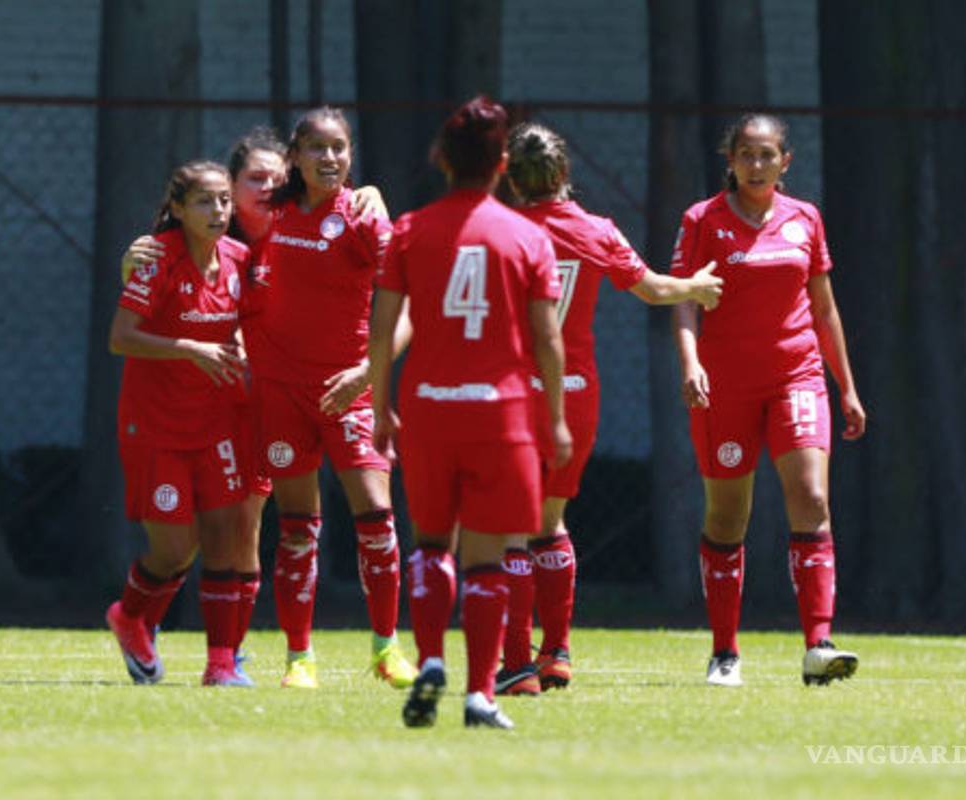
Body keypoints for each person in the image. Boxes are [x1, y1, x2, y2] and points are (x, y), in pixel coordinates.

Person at [117, 128, 389, 681]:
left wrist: (375, 193)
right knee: (191, 539)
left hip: (264, 400)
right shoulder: (202, 242)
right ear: (232, 188)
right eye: (253, 180)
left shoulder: (293, 231)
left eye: (274, 177)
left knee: (244, 529)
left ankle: (228, 654)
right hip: (199, 407)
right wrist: (134, 258)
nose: (267, 187)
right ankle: (148, 621)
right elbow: (135, 314)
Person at [494, 122, 725, 696]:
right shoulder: (595, 230)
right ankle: (558, 652)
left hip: (513, 392)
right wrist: (694, 286)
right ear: (565, 174)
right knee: (550, 522)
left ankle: (518, 663)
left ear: (509, 178)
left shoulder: (497, 230)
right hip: (575, 392)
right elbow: (650, 288)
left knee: (509, 533)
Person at [369, 95, 572, 729]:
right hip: (501, 412)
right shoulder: (527, 237)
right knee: (488, 557)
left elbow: (381, 331)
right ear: (503, 163)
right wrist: (558, 418)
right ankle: (481, 693)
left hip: (429, 406)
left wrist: (379, 405)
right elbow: (547, 339)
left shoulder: (408, 230)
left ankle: (430, 659)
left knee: (432, 544)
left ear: (441, 160)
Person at [670, 113, 866, 687]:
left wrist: (846, 386)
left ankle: (818, 645)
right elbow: (682, 298)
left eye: (767, 155)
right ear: (728, 161)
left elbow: (824, 309)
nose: (756, 164)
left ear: (786, 161)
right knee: (728, 515)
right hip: (725, 386)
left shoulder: (805, 219)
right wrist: (692, 362)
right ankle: (725, 652)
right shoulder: (702, 220)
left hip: (797, 377)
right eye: (746, 155)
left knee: (810, 495)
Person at [239, 107, 416, 690]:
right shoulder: (273, 211)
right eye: (317, 148)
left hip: (348, 389)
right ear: (296, 156)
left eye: (339, 147)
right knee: (297, 526)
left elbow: (409, 305)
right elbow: (206, 215)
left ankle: (387, 649)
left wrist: (368, 374)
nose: (330, 158)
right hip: (282, 391)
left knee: (375, 512)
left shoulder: (363, 217)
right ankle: (299, 659)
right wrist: (150, 241)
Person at [104, 160, 252, 687]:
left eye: (224, 201)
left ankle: (219, 665)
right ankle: (129, 617)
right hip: (157, 425)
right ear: (177, 209)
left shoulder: (240, 259)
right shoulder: (154, 259)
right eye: (204, 202)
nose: (218, 212)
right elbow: (120, 337)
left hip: (218, 422)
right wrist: (188, 348)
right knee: (173, 547)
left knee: (222, 538)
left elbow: (251, 326)